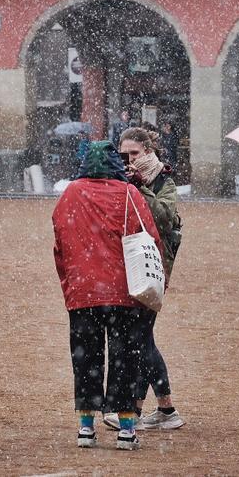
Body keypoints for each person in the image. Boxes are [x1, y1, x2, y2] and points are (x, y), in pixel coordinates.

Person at [52, 140, 162, 451]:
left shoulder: (71, 193)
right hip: (123, 292)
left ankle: (86, 427)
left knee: (86, 358)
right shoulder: (129, 194)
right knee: (124, 358)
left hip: (83, 291)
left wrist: (70, 282)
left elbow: (60, 242)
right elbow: (150, 238)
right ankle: (126, 429)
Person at [101, 127, 185, 432]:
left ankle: (155, 410)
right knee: (139, 337)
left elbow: (163, 217)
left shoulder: (164, 181)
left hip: (153, 267)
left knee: (140, 337)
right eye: (124, 155)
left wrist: (139, 187)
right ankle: (155, 409)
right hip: (126, 265)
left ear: (149, 151)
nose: (129, 160)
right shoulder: (120, 180)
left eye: (134, 153)